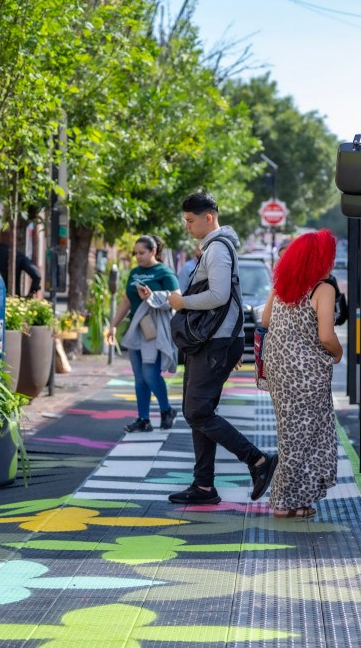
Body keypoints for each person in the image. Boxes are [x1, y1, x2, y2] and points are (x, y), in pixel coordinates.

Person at [167, 192, 277, 505]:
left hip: (214, 342)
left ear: (209, 218)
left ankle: (257, 461)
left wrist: (181, 302)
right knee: (200, 412)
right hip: (213, 342)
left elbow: (218, 295)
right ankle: (203, 486)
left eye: (190, 220)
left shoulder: (217, 248)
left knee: (197, 410)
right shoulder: (219, 246)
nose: (187, 226)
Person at [260, 229, 343, 518]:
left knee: (290, 433)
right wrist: (337, 353)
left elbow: (266, 320)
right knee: (308, 436)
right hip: (307, 371)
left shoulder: (283, 285)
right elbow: (326, 335)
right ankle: (285, 502)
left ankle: (292, 499)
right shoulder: (323, 289)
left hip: (279, 367)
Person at [107, 235, 180, 433]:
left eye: (142, 253)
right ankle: (143, 419)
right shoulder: (134, 272)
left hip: (154, 329)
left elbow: (178, 299)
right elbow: (126, 301)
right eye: (136, 253)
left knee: (150, 374)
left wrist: (153, 296)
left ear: (153, 251)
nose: (138, 257)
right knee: (139, 377)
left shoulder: (164, 272)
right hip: (137, 328)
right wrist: (113, 325)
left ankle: (166, 410)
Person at [0, 231, 42, 298]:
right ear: (13, 239)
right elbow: (36, 275)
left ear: (1, 238)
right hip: (11, 299)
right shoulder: (18, 256)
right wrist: (31, 294)